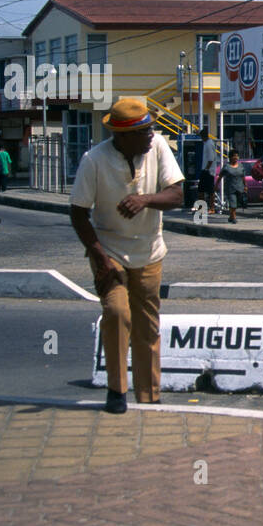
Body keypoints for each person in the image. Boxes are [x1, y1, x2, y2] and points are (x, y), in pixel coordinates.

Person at [69, 98, 184, 414]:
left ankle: (148, 394)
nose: (152, 134)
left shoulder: (157, 146)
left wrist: (145, 199)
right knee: (118, 313)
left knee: (147, 325)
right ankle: (116, 390)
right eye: (144, 131)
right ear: (122, 135)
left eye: (151, 129)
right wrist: (100, 259)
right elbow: (78, 213)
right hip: (110, 252)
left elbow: (177, 194)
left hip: (149, 251)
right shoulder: (94, 160)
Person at [219, 149, 247, 224]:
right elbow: (220, 176)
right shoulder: (226, 166)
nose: (236, 157)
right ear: (230, 157)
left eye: (237, 156)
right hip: (230, 188)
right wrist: (216, 186)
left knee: (236, 203)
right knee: (232, 203)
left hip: (239, 188)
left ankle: (231, 216)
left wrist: (245, 186)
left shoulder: (240, 166)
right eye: (234, 156)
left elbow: (243, 176)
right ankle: (234, 217)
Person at [197, 127, 216, 213]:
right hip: (205, 169)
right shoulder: (206, 143)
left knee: (210, 191)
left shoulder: (209, 144)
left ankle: (212, 208)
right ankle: (201, 208)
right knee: (201, 190)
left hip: (208, 171)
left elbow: (211, 159)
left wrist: (206, 169)